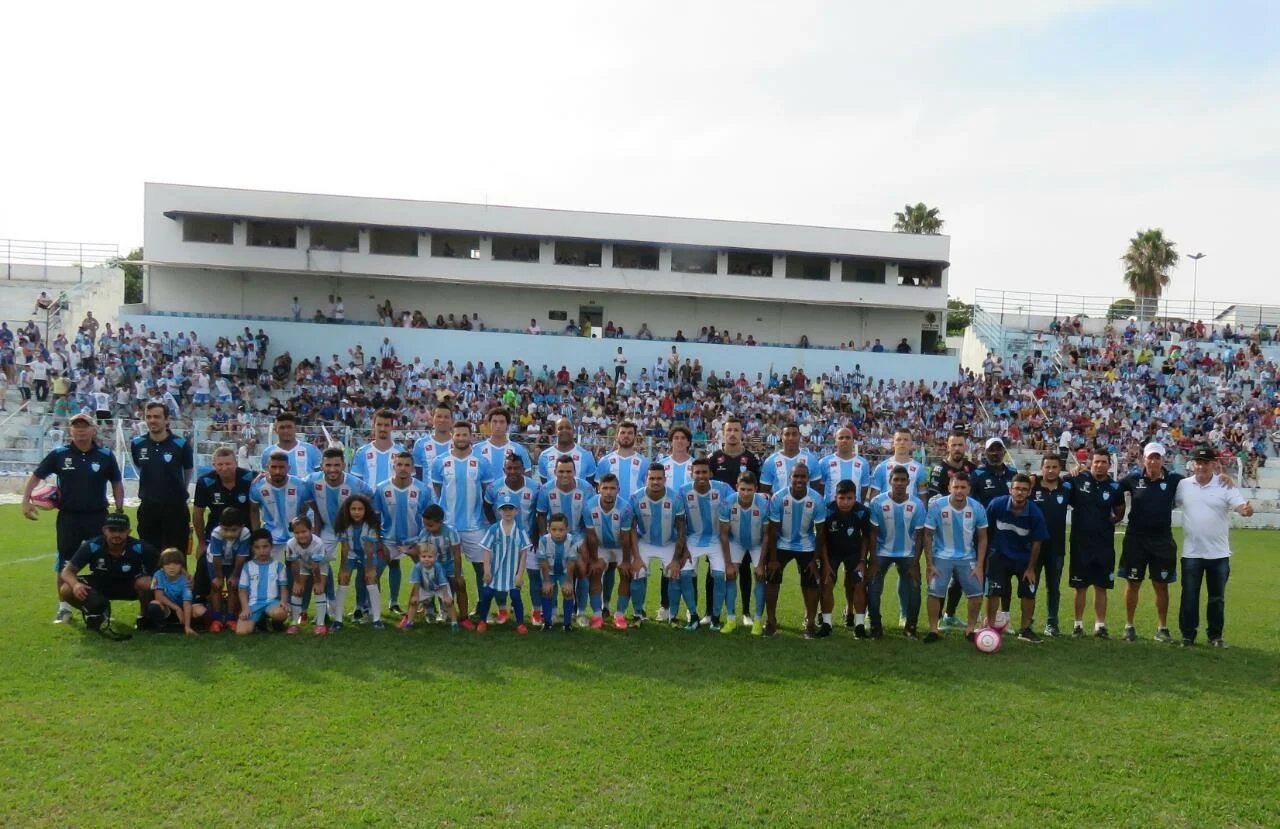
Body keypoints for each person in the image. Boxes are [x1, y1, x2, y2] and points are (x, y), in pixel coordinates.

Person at [24, 410, 125, 623]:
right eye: (76, 426)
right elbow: (36, 476)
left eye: (84, 426)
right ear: (71, 430)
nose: (80, 430)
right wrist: (26, 501)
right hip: (69, 517)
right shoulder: (60, 454)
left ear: (93, 429)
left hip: (98, 517)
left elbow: (116, 482)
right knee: (65, 560)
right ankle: (64, 608)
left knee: (102, 561)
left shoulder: (105, 455)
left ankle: (102, 607)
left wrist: (119, 508)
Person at [1175, 446, 1254, 647]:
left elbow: (1240, 506)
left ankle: (1215, 636)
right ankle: (1187, 635)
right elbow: (1169, 500)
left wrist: (1246, 510)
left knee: (1216, 598)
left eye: (1205, 462)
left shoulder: (1224, 484)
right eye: (1198, 462)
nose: (1201, 466)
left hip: (1218, 554)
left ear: (1213, 464)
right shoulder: (1183, 485)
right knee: (1189, 596)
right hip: (1192, 553)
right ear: (1193, 464)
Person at [1118, 442, 1184, 643]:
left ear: (1163, 460)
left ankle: (1162, 628)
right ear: (1143, 459)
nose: (1153, 461)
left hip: (1162, 542)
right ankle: (1129, 626)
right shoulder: (1132, 479)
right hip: (1135, 541)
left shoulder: (1175, 480)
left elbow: (1201, 481)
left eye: (1157, 457)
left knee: (1161, 585)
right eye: (1150, 457)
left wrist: (1223, 478)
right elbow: (1108, 486)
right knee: (1133, 584)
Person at [58, 512, 156, 631]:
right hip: (101, 586)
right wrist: (76, 585)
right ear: (104, 530)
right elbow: (66, 572)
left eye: (121, 530)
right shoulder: (92, 545)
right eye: (112, 530)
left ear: (128, 531)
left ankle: (145, 617)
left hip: (130, 586)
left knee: (146, 583)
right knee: (66, 589)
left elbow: (163, 568)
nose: (116, 534)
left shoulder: (140, 547)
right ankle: (97, 613)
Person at [762, 463, 828, 638]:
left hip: (806, 546)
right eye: (795, 476)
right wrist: (774, 559)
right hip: (782, 545)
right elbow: (773, 529)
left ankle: (810, 622)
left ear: (808, 478)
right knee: (772, 580)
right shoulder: (778, 498)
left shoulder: (817, 499)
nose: (799, 480)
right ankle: (771, 621)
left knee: (811, 584)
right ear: (790, 478)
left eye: (803, 476)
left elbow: (821, 532)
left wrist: (815, 559)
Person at [430, 421, 497, 591]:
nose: (461, 438)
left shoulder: (482, 462)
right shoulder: (440, 462)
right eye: (457, 435)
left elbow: (487, 493)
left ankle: (483, 610)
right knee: (444, 569)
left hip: (474, 526)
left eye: (464, 435)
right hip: (447, 525)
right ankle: (447, 609)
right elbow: (438, 490)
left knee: (481, 568)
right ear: (452, 436)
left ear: (471, 437)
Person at [1066, 448, 1126, 639]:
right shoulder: (1077, 479)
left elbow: (1119, 512)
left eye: (1103, 462)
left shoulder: (1115, 487)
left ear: (1110, 465)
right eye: (1096, 462)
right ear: (1091, 463)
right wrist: (1072, 471)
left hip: (1104, 544)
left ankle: (1100, 625)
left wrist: (1109, 522)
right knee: (1080, 586)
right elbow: (1054, 483)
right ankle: (1078, 624)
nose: (1100, 465)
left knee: (1101, 586)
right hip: (1080, 542)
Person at [922, 474, 987, 642]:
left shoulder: (977, 508)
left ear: (969, 489)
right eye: (956, 487)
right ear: (949, 488)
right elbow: (927, 534)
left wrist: (980, 565)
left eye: (963, 487)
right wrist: (930, 564)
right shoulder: (937, 506)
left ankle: (970, 629)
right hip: (941, 556)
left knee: (976, 594)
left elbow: (983, 537)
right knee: (934, 593)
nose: (959, 491)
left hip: (968, 557)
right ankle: (933, 630)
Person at [983, 474, 1048, 643]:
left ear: (1029, 493)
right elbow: (984, 530)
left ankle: (1025, 629)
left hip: (1024, 559)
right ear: (1011, 489)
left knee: (1029, 593)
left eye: (1024, 489)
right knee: (993, 592)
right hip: (999, 556)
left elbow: (1037, 543)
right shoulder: (996, 505)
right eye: (1017, 488)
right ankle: (990, 627)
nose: (1020, 492)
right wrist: (985, 556)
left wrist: (1031, 569)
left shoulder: (1035, 513)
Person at [708, 416, 761, 624]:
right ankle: (710, 612)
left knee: (745, 566)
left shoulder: (751, 459)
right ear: (723, 432)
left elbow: (758, 489)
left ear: (741, 433)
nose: (732, 433)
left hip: (745, 520)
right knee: (715, 567)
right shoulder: (714, 458)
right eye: (728, 430)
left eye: (736, 430)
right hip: (720, 520)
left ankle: (746, 612)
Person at [925, 430, 978, 629]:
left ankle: (950, 614)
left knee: (959, 576)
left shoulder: (972, 469)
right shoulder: (939, 469)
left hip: (966, 530)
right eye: (953, 445)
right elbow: (933, 499)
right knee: (941, 575)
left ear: (966, 447)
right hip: (944, 531)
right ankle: (937, 620)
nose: (957, 448)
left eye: (960, 445)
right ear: (947, 446)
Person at [373, 451, 434, 624]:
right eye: (399, 464)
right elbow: (376, 519)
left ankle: (429, 607)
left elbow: (429, 519)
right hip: (388, 540)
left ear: (413, 468)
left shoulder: (422, 489)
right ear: (394, 466)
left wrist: (422, 543)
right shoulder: (381, 489)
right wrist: (379, 543)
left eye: (407, 465)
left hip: (415, 540)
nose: (403, 468)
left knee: (427, 573)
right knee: (372, 574)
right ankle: (374, 610)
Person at [866, 466, 927, 639]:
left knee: (915, 587)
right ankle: (876, 626)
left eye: (903, 480)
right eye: (896, 480)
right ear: (890, 481)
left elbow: (920, 535)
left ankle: (911, 626)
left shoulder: (917, 505)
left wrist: (915, 563)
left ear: (908, 482)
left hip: (908, 554)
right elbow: (873, 533)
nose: (899, 483)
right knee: (874, 587)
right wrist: (874, 559)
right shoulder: (877, 502)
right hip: (882, 552)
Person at [192, 447, 256, 608]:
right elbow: (198, 514)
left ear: (236, 463)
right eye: (219, 464)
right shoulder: (205, 482)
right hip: (216, 533)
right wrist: (201, 543)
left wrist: (255, 538)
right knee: (204, 564)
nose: (224, 468)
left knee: (246, 566)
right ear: (214, 464)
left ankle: (249, 602)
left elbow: (256, 510)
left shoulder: (250, 478)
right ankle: (200, 599)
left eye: (228, 463)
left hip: (244, 534)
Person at [130, 401, 194, 558]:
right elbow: (140, 467)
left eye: (157, 417)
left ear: (167, 420)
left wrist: (178, 491)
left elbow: (188, 471)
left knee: (177, 556)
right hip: (148, 508)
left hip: (175, 508)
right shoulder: (137, 443)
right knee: (149, 555)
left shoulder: (180, 444)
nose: (152, 420)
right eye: (149, 417)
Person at [535, 456, 594, 625]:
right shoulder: (546, 489)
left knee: (582, 571)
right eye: (561, 471)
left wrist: (587, 543)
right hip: (554, 536)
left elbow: (590, 518)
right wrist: (543, 538)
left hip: (578, 536)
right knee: (553, 572)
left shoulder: (587, 488)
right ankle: (553, 611)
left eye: (569, 471)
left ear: (575, 472)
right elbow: (540, 515)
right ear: (554, 472)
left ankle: (581, 612)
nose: (565, 474)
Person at [628, 463, 687, 626]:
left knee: (674, 574)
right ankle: (638, 614)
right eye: (651, 478)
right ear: (646, 479)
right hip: (644, 542)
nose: (655, 482)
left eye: (659, 478)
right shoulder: (635, 498)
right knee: (637, 573)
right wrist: (637, 557)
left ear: (664, 479)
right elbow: (632, 529)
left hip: (668, 542)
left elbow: (681, 529)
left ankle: (673, 616)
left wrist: (676, 559)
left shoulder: (675, 499)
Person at [680, 458, 734, 630]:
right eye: (697, 472)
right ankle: (693, 615)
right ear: (691, 474)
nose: (701, 476)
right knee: (685, 575)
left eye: (704, 472)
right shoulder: (683, 491)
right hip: (692, 539)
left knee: (719, 576)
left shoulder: (723, 488)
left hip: (716, 539)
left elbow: (738, 500)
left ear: (710, 473)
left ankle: (716, 618)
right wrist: (681, 547)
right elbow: (678, 520)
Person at [484, 454, 538, 622]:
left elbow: (540, 512)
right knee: (500, 574)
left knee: (534, 575)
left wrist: (536, 534)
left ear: (524, 469)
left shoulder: (535, 487)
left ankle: (537, 612)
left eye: (517, 468)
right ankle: (502, 610)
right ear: (504, 469)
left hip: (527, 539)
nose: (513, 471)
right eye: (509, 468)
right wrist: (496, 529)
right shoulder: (494, 488)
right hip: (503, 541)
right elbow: (486, 506)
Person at [718, 471, 769, 634]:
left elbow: (768, 534)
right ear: (737, 488)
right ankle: (731, 619)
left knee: (760, 577)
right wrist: (728, 564)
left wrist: (761, 564)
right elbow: (724, 534)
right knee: (731, 576)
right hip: (736, 542)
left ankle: (758, 620)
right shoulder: (727, 503)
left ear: (756, 489)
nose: (746, 493)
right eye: (742, 489)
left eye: (749, 490)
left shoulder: (763, 504)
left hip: (757, 543)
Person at [822, 479, 874, 637]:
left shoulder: (862, 512)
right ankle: (826, 624)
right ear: (836, 497)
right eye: (842, 498)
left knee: (859, 585)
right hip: (832, 553)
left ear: (855, 497)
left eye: (849, 498)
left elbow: (866, 537)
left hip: (854, 553)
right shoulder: (827, 510)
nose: (845, 502)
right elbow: (822, 538)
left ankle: (859, 625)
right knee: (827, 583)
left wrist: (862, 561)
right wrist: (825, 563)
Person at [584, 473, 635, 628]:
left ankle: (619, 615)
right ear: (598, 489)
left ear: (618, 490)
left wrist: (626, 561)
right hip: (600, 546)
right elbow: (591, 536)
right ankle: (597, 615)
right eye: (605, 488)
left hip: (621, 547)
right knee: (595, 573)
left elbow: (626, 538)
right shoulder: (589, 506)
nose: (608, 492)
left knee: (625, 575)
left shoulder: (625, 508)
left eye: (612, 488)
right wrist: (593, 560)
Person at [476, 493, 533, 634]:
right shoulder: (494, 529)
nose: (507, 512)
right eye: (504, 509)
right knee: (487, 595)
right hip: (495, 572)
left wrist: (520, 574)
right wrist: (487, 570)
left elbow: (524, 553)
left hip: (512, 572)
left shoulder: (520, 530)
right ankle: (482, 620)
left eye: (510, 508)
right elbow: (486, 550)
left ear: (516, 511)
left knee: (515, 596)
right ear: (499, 510)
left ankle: (520, 623)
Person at [1029, 454, 1073, 637]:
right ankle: (1027, 623)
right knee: (1031, 586)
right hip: (1034, 548)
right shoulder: (1033, 487)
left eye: (1055, 467)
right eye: (1047, 467)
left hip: (1056, 548)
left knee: (1053, 588)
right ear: (1042, 468)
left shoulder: (1066, 489)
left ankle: (1052, 624)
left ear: (1059, 469)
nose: (1051, 470)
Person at [249, 452, 315, 564]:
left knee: (298, 575)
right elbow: (254, 511)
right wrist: (257, 536)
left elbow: (313, 508)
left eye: (281, 467)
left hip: (297, 537)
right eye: (273, 467)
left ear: (288, 468)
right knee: (271, 575)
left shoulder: (300, 485)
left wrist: (312, 531)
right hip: (271, 538)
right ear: (267, 467)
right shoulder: (257, 486)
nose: (277, 471)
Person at [419, 504, 474, 629]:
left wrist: (458, 574)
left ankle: (464, 617)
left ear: (441, 522)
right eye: (425, 524)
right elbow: (421, 553)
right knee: (426, 585)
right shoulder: (424, 534)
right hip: (433, 567)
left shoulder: (450, 532)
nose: (428, 528)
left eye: (431, 525)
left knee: (460, 586)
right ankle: (430, 610)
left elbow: (456, 554)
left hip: (450, 565)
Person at [333, 493, 382, 630]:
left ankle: (377, 619)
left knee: (371, 579)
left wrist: (370, 568)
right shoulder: (344, 524)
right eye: (353, 509)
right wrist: (343, 569)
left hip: (367, 556)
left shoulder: (371, 525)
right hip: (350, 555)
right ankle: (338, 620)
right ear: (348, 510)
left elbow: (369, 549)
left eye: (360, 509)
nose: (356, 512)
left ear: (366, 510)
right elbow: (344, 548)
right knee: (343, 579)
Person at [536, 513, 587, 632]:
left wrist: (569, 582)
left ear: (567, 529)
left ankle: (567, 624)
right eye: (554, 530)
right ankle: (547, 622)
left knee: (568, 592)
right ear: (548, 529)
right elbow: (543, 562)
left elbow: (571, 563)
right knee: (547, 591)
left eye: (561, 530)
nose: (557, 533)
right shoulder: (543, 541)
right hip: (550, 572)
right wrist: (547, 582)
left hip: (565, 572)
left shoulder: (573, 541)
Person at [204, 507, 251, 632]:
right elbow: (217, 557)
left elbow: (241, 557)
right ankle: (217, 619)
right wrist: (218, 577)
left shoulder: (245, 533)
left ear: (242, 527)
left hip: (233, 561)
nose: (229, 534)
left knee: (233, 586)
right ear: (220, 526)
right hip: (215, 562)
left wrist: (235, 576)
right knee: (216, 587)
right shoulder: (216, 533)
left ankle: (231, 618)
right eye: (226, 530)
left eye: (234, 530)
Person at [284, 515, 332, 634]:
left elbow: (316, 566)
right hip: (304, 564)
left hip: (320, 565)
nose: (300, 535)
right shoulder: (290, 544)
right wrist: (297, 582)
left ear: (311, 530)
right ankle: (294, 623)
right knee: (297, 591)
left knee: (319, 590)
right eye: (297, 532)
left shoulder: (318, 543)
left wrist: (318, 582)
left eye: (304, 531)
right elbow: (294, 564)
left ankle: (320, 624)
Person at [236, 529, 290, 635]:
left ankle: (275, 623)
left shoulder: (278, 566)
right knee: (241, 632)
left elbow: (283, 587)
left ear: (271, 546)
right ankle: (260, 622)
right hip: (254, 605)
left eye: (265, 547)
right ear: (252, 549)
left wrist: (283, 602)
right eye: (257, 547)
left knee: (280, 614)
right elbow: (242, 590)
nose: (262, 551)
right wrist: (245, 608)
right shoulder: (248, 567)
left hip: (272, 603)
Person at [400, 541, 458, 631]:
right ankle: (409, 622)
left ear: (435, 557)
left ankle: (454, 623)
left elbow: (443, 582)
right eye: (424, 557)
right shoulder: (417, 567)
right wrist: (416, 595)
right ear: (419, 557)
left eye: (430, 557)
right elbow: (416, 582)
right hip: (425, 588)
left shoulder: (438, 567)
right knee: (414, 602)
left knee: (449, 602)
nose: (426, 559)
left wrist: (446, 595)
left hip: (440, 588)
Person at [147, 547, 204, 635]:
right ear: (162, 565)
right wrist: (177, 609)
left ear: (181, 566)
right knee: (154, 605)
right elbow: (159, 597)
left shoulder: (186, 580)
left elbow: (187, 602)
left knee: (200, 610)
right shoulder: (158, 575)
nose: (171, 567)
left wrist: (187, 626)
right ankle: (162, 626)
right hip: (168, 608)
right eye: (167, 564)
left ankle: (188, 625)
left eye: (176, 564)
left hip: (184, 608)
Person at [759, 422, 820, 495]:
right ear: (781, 437)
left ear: (799, 436)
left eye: (794, 434)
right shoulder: (770, 461)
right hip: (779, 506)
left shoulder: (811, 459)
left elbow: (816, 491)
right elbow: (765, 492)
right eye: (787, 434)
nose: (791, 438)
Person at [350, 408, 404, 487]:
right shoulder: (362, 452)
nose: (382, 429)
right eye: (379, 425)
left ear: (392, 427)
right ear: (373, 426)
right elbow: (356, 483)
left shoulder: (401, 452)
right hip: (369, 499)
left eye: (386, 425)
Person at [259, 412, 321, 479]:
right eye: (282, 428)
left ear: (296, 428)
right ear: (276, 430)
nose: (286, 431)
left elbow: (320, 476)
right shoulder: (268, 452)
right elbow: (264, 475)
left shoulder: (311, 449)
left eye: (289, 427)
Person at [536, 418, 597, 484]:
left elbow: (589, 487)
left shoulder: (587, 456)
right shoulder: (544, 456)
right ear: (555, 432)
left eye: (568, 428)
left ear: (573, 431)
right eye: (560, 428)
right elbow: (545, 484)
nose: (564, 430)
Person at [474, 407, 532, 474]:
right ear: (489, 423)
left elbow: (527, 477)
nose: (498, 425)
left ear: (507, 425)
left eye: (502, 422)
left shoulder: (519, 450)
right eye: (495, 421)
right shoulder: (476, 449)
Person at [411, 403, 454, 483]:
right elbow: (418, 476)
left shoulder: (458, 444)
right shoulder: (420, 444)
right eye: (439, 416)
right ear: (432, 419)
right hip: (429, 495)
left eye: (446, 417)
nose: (442, 420)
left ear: (452, 421)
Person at [660, 425, 696, 492]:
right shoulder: (661, 464)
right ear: (671, 443)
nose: (680, 441)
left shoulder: (695, 465)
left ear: (688, 443)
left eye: (683, 438)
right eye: (676, 438)